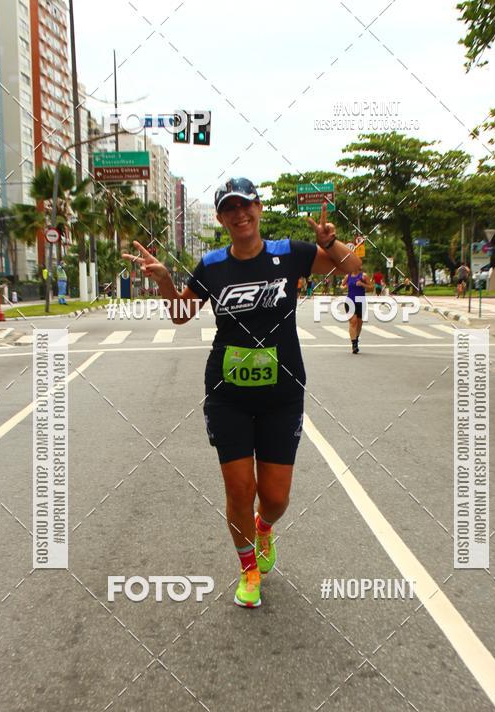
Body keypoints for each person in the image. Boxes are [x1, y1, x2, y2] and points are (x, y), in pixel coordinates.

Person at [123, 177, 361, 609]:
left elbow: (352, 268)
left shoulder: (291, 253)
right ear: (220, 217)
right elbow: (180, 315)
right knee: (239, 489)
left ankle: (264, 528)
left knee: (275, 498)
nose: (239, 214)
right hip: (227, 393)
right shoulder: (212, 265)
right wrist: (163, 281)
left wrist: (332, 241)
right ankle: (248, 568)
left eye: (245, 205)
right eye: (229, 208)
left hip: (282, 392)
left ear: (259, 208)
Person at [341, 269, 372, 354]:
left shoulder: (364, 276)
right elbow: (341, 285)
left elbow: (371, 288)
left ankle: (356, 338)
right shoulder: (348, 276)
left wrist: (362, 284)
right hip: (350, 301)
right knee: (353, 322)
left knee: (359, 322)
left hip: (361, 301)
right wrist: (345, 287)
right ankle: (354, 344)